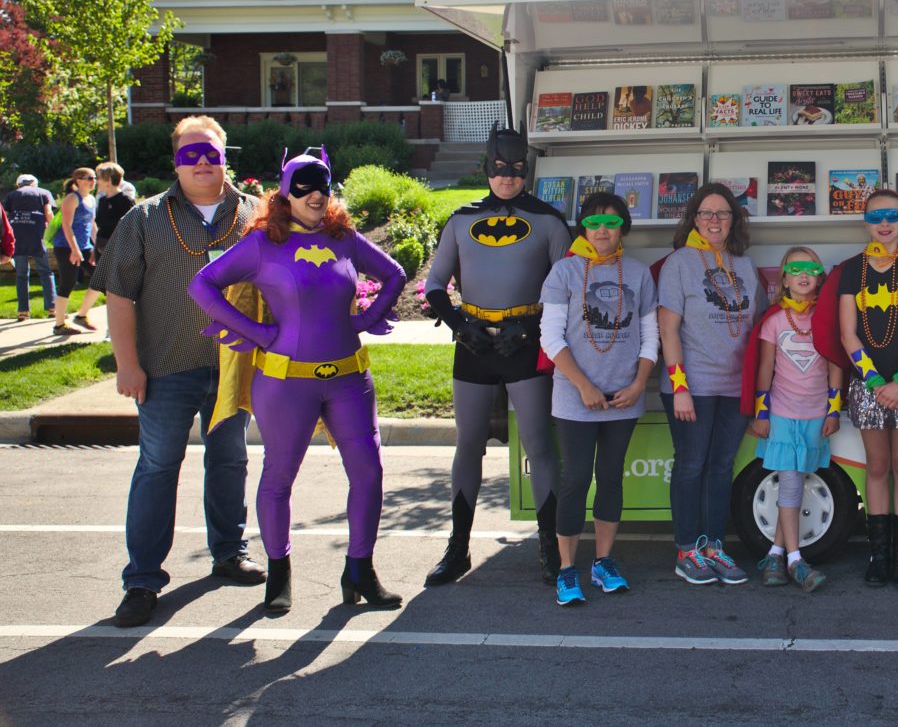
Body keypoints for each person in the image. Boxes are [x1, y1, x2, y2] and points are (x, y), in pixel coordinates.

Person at [188, 147, 407, 613]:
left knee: (368, 473)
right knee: (279, 477)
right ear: (285, 194)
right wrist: (259, 332)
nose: (314, 194)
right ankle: (279, 574)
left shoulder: (344, 238)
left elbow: (394, 274)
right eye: (303, 186)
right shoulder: (264, 242)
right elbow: (201, 285)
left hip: (350, 378)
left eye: (322, 185)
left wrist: (367, 319)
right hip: (286, 383)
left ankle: (360, 571)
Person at [91, 116, 264, 628]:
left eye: (211, 152)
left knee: (230, 460)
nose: (204, 162)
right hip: (164, 368)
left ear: (225, 154)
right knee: (158, 467)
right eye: (192, 155)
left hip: (235, 367)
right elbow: (118, 296)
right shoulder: (144, 219)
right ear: (176, 163)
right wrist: (128, 365)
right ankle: (143, 580)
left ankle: (229, 553)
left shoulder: (255, 214)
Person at [423, 125, 571, 587]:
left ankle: (550, 548)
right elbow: (434, 285)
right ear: (486, 169)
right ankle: (458, 547)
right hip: (474, 346)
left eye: (516, 170)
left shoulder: (549, 221)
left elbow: (568, 286)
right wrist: (460, 325)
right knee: (468, 443)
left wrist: (528, 327)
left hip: (525, 347)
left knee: (539, 446)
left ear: (527, 171)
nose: (507, 178)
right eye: (499, 169)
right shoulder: (460, 219)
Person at [538, 193, 658, 605]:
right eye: (593, 222)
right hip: (575, 398)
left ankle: (603, 562)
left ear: (623, 226)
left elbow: (650, 335)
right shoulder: (564, 272)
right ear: (583, 228)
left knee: (610, 478)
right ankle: (567, 570)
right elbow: (550, 337)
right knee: (575, 481)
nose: (602, 230)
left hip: (624, 397)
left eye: (610, 222)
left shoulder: (639, 274)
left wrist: (640, 382)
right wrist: (584, 386)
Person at [658, 182, 765, 586]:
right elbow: (668, 330)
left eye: (723, 213)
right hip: (694, 387)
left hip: (736, 387)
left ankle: (714, 547)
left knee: (721, 468)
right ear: (694, 219)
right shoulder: (679, 263)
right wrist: (679, 386)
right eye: (707, 213)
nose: (715, 220)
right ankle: (687, 550)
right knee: (691, 465)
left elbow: (757, 328)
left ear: (734, 220)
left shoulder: (745, 265)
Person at [840, 189, 898, 589]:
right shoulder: (851, 270)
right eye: (876, 215)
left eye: (892, 215)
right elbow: (847, 333)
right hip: (869, 385)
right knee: (877, 467)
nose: (884, 223)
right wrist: (877, 381)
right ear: (866, 221)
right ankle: (879, 555)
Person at [751, 247, 842, 593]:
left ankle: (774, 553)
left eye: (811, 268)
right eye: (795, 269)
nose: (803, 275)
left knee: (798, 481)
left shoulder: (826, 319)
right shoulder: (774, 321)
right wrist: (761, 413)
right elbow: (764, 368)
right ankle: (795, 561)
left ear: (819, 277)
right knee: (790, 483)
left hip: (816, 414)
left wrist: (833, 409)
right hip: (783, 414)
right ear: (784, 279)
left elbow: (836, 365)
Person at [52, 168, 100, 336]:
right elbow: (66, 225)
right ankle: (59, 325)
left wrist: (95, 246)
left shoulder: (92, 199)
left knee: (101, 279)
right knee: (68, 282)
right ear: (78, 180)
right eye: (89, 178)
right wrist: (74, 249)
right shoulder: (72, 199)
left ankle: (81, 315)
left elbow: (92, 225)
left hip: (85, 247)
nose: (93, 181)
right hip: (66, 248)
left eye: (95, 178)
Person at [3, 173, 54, 321]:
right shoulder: (44, 193)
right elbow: (49, 213)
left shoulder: (11, 195)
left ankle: (23, 312)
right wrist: (53, 234)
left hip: (17, 238)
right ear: (34, 183)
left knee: (21, 274)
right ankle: (52, 308)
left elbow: (4, 218)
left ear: (18, 184)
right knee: (46, 272)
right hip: (37, 237)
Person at [93, 162, 136, 252]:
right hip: (101, 246)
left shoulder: (125, 200)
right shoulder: (102, 200)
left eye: (99, 178)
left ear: (108, 180)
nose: (96, 181)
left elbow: (132, 226)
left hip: (119, 249)